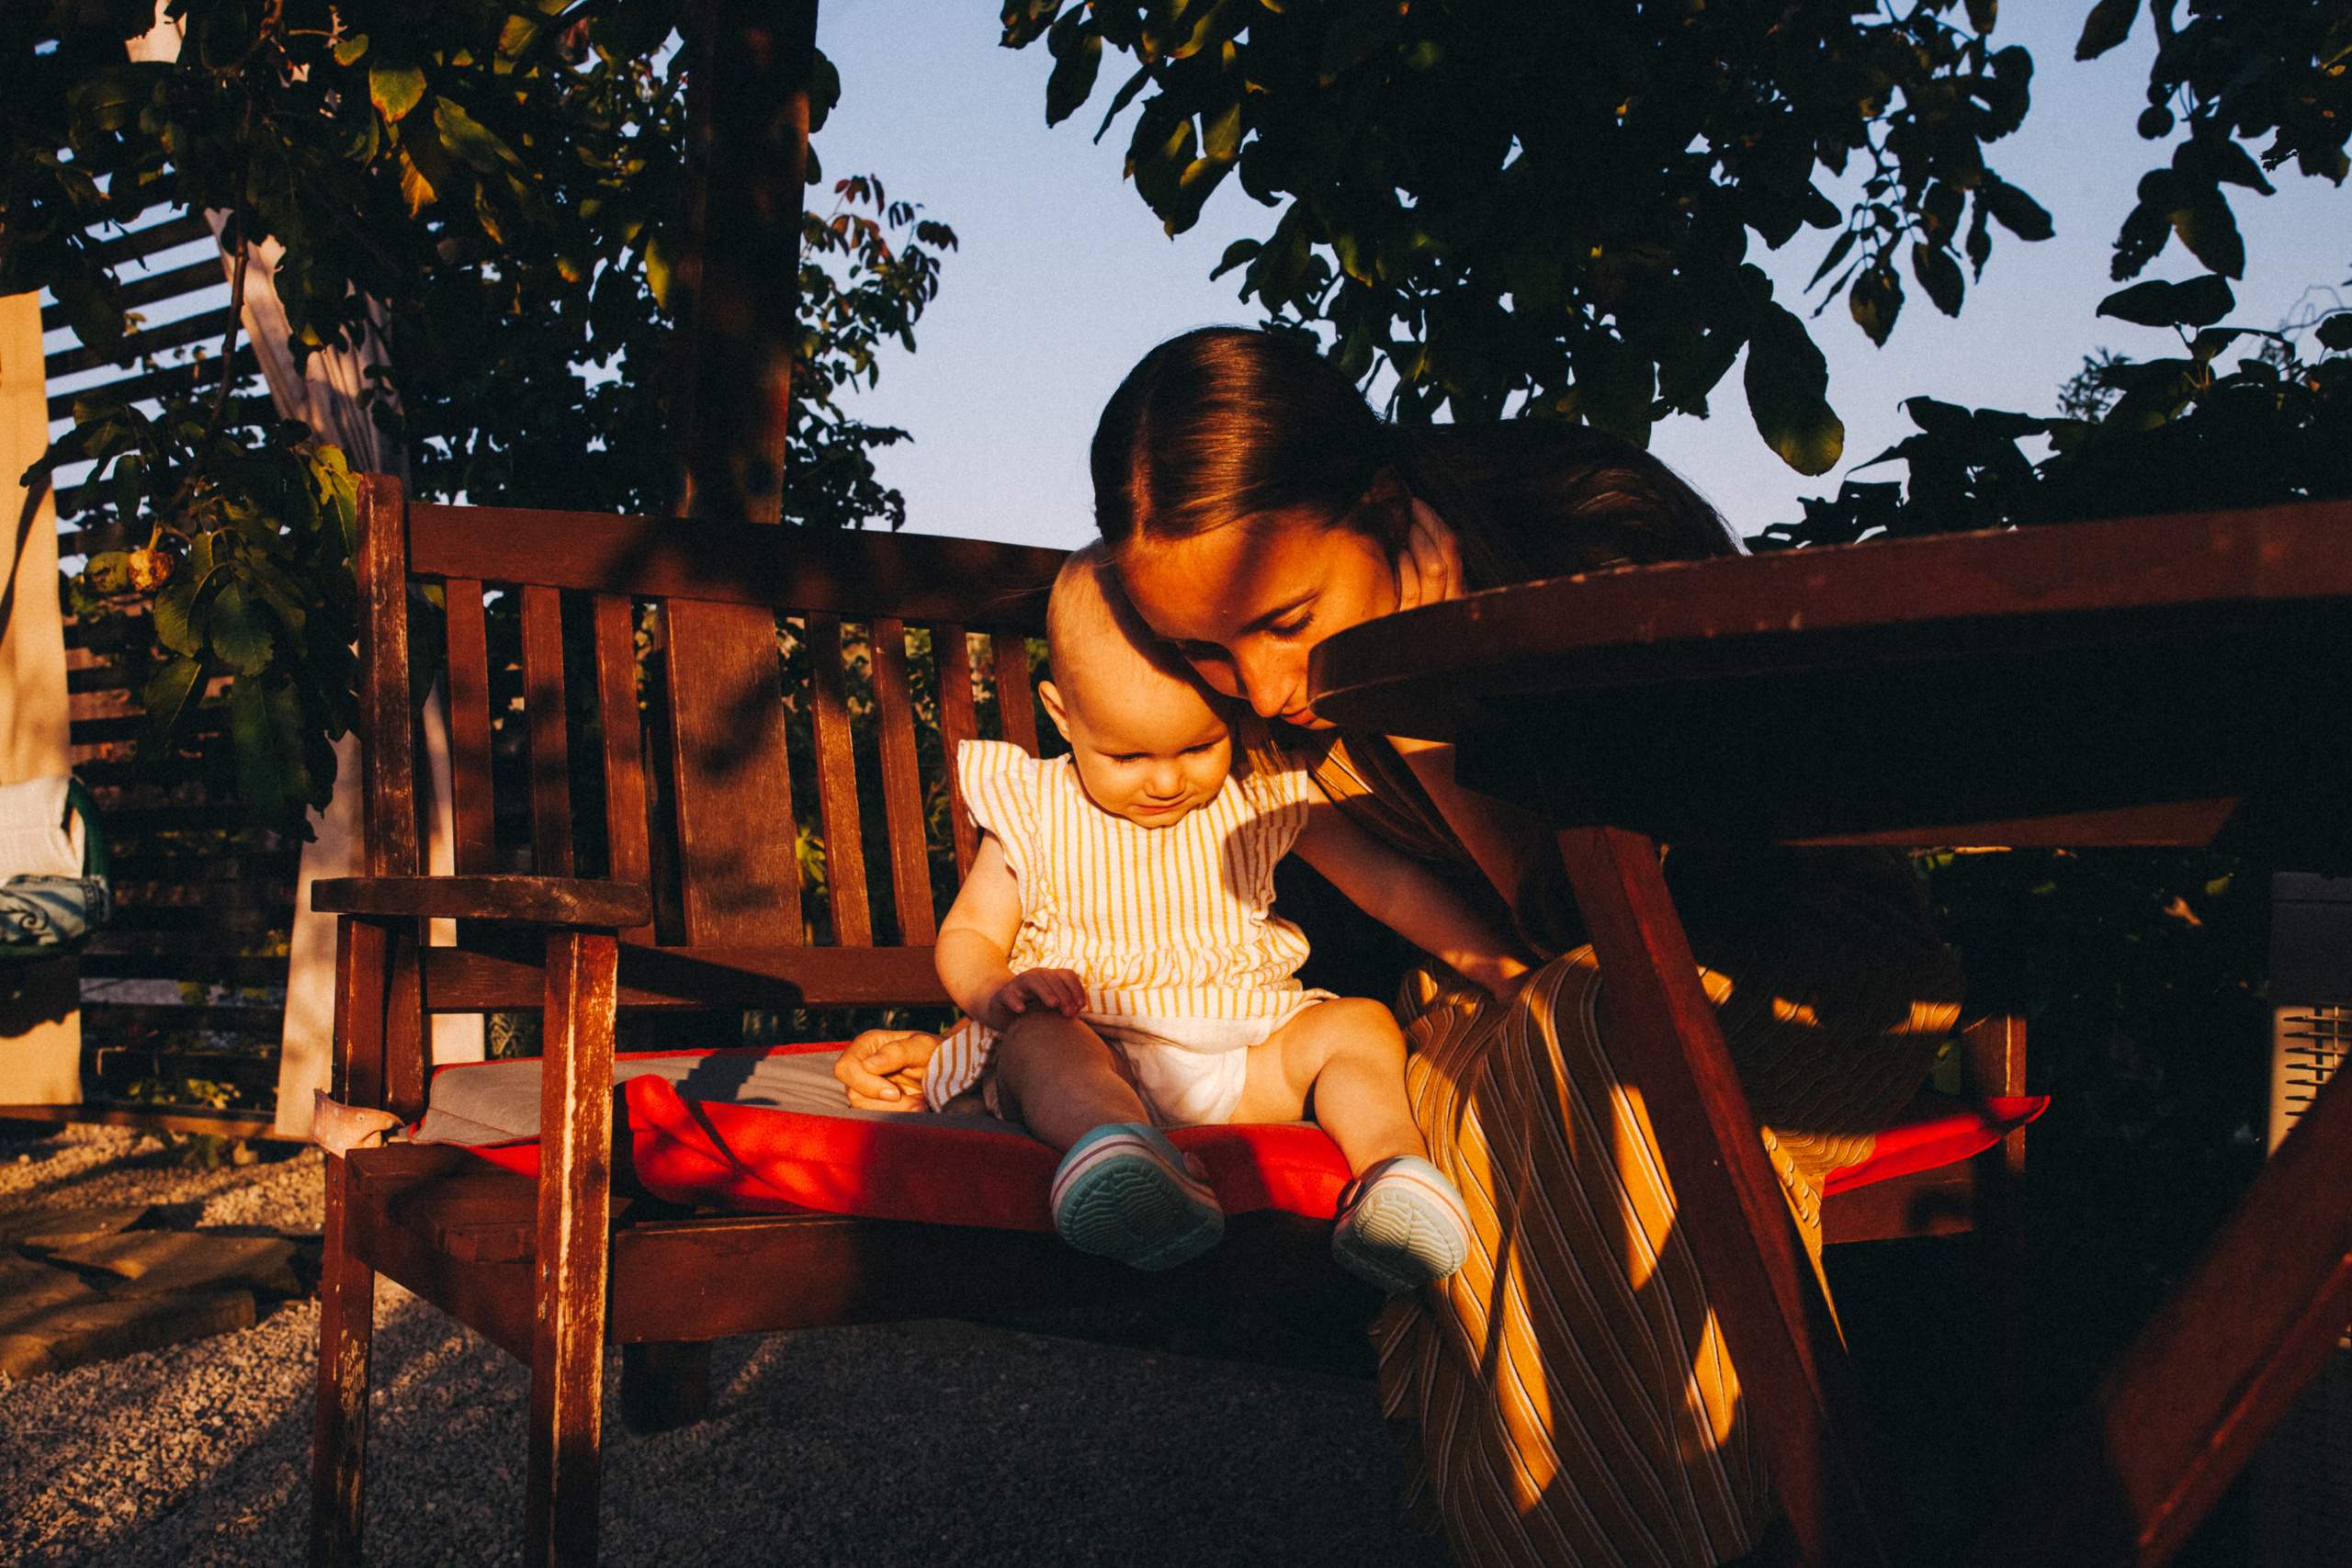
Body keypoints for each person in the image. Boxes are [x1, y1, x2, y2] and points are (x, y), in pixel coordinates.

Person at [1083, 327, 1967, 1568]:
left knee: (1575, 1038)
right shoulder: (1280, 690)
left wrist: (1441, 693)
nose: (1266, 687)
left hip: (1798, 978)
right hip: (1530, 1006)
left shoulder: (1587, 538)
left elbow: (1621, 914)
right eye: (1205, 651)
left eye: (1286, 621)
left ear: (1387, 506)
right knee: (1458, 1084)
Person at [836, 547, 1532, 1290]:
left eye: (1199, 745)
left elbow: (1386, 885)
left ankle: (1394, 1173)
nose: (1167, 780)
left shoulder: (1259, 791)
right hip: (1093, 1045)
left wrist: (1497, 962)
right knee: (1039, 1045)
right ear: (1062, 715)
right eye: (1129, 755)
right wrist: (995, 992)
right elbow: (970, 934)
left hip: (1242, 1056)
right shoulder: (1035, 808)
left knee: (1356, 1024)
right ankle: (1119, 1156)